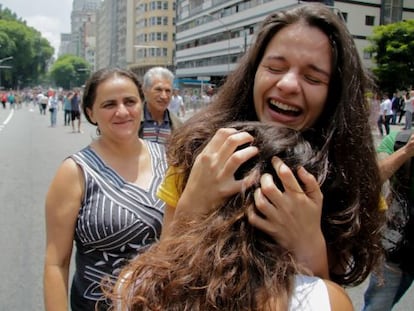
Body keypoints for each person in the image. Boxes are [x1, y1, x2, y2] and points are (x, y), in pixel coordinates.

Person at [157, 2, 383, 287]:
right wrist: (192, 205)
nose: (288, 84)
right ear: (254, 72)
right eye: (275, 68)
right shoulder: (201, 151)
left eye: (313, 78)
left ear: (335, 93)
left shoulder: (350, 175)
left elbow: (329, 298)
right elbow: (161, 276)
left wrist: (309, 246)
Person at [111, 122, 353, 310]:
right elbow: (321, 299)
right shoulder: (326, 300)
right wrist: (313, 248)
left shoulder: (135, 285)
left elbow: (167, 265)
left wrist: (188, 209)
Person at [43, 68, 168, 311]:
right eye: (109, 104)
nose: (122, 111)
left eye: (129, 101)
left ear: (141, 105)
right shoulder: (75, 172)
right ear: (91, 113)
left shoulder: (169, 158)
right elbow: (56, 263)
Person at [362, 129, 414, 311]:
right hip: (395, 245)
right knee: (377, 306)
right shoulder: (399, 140)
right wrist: (406, 151)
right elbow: (371, 180)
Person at [138, 66, 182, 145]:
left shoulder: (178, 126)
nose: (164, 96)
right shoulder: (132, 120)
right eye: (158, 90)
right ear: (145, 90)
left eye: (168, 91)